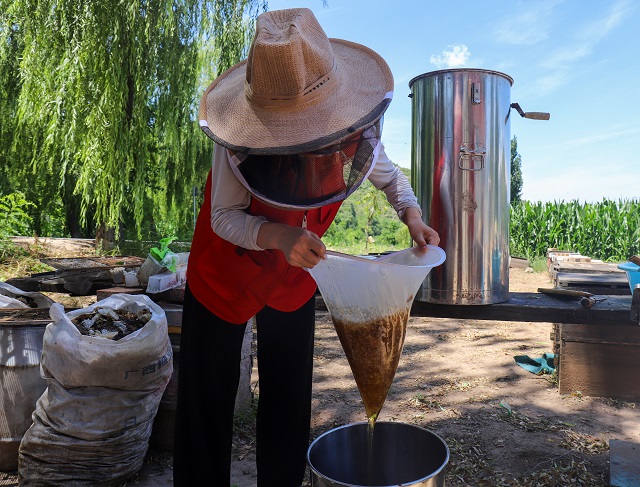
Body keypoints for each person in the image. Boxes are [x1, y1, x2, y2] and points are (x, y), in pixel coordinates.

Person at [172, 7, 440, 487]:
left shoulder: (352, 130)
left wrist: (413, 216)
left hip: (295, 279)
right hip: (225, 272)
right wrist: (278, 236)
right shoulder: (236, 136)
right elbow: (223, 217)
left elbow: (392, 178)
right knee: (206, 402)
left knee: (289, 398)